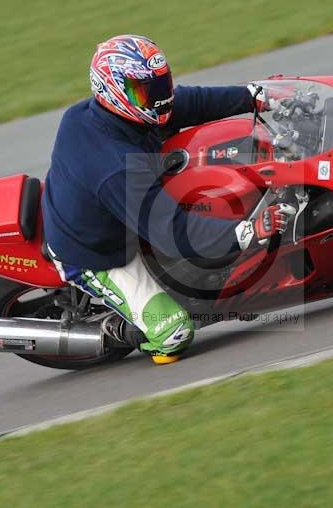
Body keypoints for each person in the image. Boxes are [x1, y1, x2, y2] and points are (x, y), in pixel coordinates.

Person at [42, 34, 295, 365]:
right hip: (98, 253)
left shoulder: (122, 115)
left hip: (115, 210)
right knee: (174, 335)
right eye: (145, 91)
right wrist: (245, 231)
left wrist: (254, 97)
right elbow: (173, 232)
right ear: (112, 90)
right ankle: (120, 331)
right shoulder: (113, 167)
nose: (159, 98)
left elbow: (189, 102)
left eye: (160, 85)